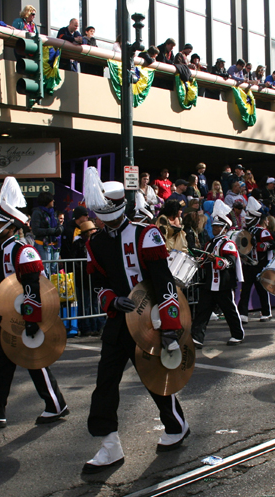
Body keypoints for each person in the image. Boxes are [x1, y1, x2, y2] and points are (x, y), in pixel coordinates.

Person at [81, 169, 190, 472]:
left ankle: (176, 425)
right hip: (119, 321)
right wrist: (110, 300)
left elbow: (164, 281)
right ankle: (108, 444)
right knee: (105, 380)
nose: (104, 222)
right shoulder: (95, 243)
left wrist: (170, 326)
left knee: (153, 377)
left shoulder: (146, 234)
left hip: (151, 319)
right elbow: (99, 284)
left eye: (108, 216)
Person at [0, 177, 68, 429]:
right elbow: (2, 289)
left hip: (28, 315)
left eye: (0, 222)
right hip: (12, 317)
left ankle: (56, 404)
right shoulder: (0, 252)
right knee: (4, 364)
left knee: (33, 359)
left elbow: (32, 287)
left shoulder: (22, 250)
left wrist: (31, 318)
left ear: (11, 225)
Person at [191, 200, 244, 347]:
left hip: (224, 284)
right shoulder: (209, 243)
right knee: (202, 310)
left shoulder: (229, 244)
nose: (214, 229)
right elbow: (204, 260)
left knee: (229, 310)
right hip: (210, 283)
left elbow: (230, 262)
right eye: (214, 226)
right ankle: (196, 337)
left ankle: (238, 334)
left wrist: (217, 260)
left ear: (224, 228)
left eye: (218, 226)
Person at [237, 197, 274, 322]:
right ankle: (243, 313)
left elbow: (271, 245)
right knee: (245, 289)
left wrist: (257, 245)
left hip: (259, 264)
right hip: (247, 263)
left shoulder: (263, 232)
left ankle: (266, 312)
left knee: (261, 289)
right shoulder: (244, 231)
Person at [29, 192, 63, 277]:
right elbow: (36, 230)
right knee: (45, 269)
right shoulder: (37, 213)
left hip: (55, 245)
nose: (53, 201)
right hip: (43, 245)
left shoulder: (53, 213)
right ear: (47, 201)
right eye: (52, 199)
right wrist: (52, 231)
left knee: (54, 269)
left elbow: (59, 225)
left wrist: (60, 229)